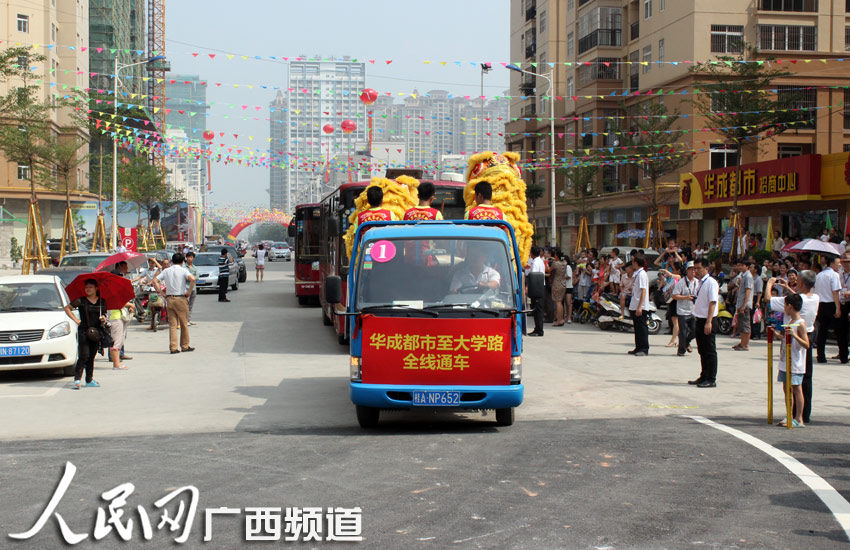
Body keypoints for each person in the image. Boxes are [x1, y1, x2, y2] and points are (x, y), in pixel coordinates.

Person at [766, 270, 818, 424]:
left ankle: (797, 416)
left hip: (797, 340)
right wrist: (788, 288)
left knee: (796, 385)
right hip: (802, 336)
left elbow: (769, 299)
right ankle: (799, 414)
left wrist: (769, 284)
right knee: (802, 381)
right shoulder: (815, 298)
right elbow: (798, 297)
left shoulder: (796, 310)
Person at [63, 279, 107, 390]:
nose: (88, 289)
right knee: (84, 355)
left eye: (90, 287)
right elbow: (67, 308)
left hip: (96, 332)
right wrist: (76, 320)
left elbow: (105, 315)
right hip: (83, 331)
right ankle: (77, 380)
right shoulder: (81, 300)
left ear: (96, 288)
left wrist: (103, 318)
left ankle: (89, 379)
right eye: (86, 287)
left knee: (91, 356)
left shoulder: (102, 301)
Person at [776, 293, 809, 427]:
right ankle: (789, 414)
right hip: (785, 360)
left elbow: (806, 344)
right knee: (786, 388)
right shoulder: (790, 321)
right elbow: (786, 338)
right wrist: (777, 335)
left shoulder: (800, 323)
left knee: (796, 388)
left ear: (790, 306)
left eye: (785, 305)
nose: (784, 308)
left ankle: (799, 418)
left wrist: (794, 335)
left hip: (795, 362)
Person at [154, 253, 196, 354]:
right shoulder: (183, 270)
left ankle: (173, 347)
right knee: (183, 323)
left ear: (172, 261)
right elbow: (193, 279)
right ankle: (184, 346)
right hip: (180, 298)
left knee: (172, 325)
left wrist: (161, 292)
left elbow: (155, 281)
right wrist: (189, 292)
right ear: (182, 261)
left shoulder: (166, 271)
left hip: (169, 298)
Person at [691, 258, 719, 388]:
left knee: (709, 350)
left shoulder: (711, 282)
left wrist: (709, 321)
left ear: (706, 269)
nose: (696, 271)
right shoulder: (700, 282)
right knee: (702, 350)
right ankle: (704, 375)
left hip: (708, 319)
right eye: (695, 268)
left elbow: (712, 302)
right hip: (699, 319)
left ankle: (711, 378)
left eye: (699, 268)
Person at [813, 255, 841, 363]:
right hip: (830, 304)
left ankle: (821, 356)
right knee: (839, 330)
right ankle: (843, 355)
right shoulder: (834, 275)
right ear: (832, 263)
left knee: (822, 331)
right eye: (838, 263)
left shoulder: (819, 275)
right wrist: (838, 308)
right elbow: (835, 292)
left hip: (820, 305)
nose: (839, 265)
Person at [671, 261, 698, 357]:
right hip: (682, 311)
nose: (693, 271)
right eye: (691, 269)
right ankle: (681, 350)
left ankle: (686, 342)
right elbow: (674, 295)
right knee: (683, 332)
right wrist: (686, 297)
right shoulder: (682, 282)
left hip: (693, 310)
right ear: (687, 271)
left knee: (695, 330)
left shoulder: (697, 282)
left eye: (694, 269)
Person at [628, 256, 650, 356]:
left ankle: (644, 349)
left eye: (633, 262)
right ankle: (638, 347)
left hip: (640, 306)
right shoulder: (638, 273)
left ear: (636, 263)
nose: (632, 264)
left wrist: (640, 307)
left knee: (642, 328)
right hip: (635, 304)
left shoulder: (642, 274)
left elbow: (643, 291)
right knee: (637, 328)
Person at [733, 259, 754, 351]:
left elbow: (748, 291)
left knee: (745, 324)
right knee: (741, 324)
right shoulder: (742, 275)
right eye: (739, 265)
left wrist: (744, 305)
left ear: (747, 266)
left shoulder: (748, 276)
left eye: (742, 265)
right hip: (740, 303)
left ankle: (745, 344)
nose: (739, 267)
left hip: (744, 304)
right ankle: (742, 343)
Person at [526, 246, 546, 336]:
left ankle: (539, 330)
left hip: (536, 287)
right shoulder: (540, 261)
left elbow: (533, 276)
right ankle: (537, 329)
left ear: (532, 253)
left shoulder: (535, 262)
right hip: (540, 286)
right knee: (538, 309)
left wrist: (528, 287)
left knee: (537, 309)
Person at [550, 250, 567, 326]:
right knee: (560, 301)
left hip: (557, 283)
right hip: (563, 283)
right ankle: (561, 319)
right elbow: (562, 259)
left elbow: (549, 269)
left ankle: (559, 320)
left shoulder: (555, 264)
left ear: (556, 256)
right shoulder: (565, 263)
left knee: (558, 302)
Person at [839, 252, 850, 364]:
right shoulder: (840, 274)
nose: (846, 264)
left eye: (848, 262)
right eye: (844, 262)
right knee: (842, 331)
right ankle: (843, 355)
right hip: (842, 303)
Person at [751, 262, 764, 340]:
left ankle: (756, 334)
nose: (750, 269)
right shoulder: (751, 277)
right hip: (751, 297)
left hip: (756, 297)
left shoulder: (758, 279)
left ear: (756, 270)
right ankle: (752, 333)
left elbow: (759, 292)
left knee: (756, 316)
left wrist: (758, 301)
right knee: (751, 316)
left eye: (752, 267)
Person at [185, 251, 199, 325]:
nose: (189, 259)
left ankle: (189, 320)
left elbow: (197, 277)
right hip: (186, 288)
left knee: (191, 305)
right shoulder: (183, 267)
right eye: (188, 257)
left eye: (191, 257)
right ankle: (185, 320)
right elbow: (184, 277)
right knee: (185, 305)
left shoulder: (195, 268)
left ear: (193, 258)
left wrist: (191, 278)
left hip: (193, 288)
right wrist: (191, 278)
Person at [563, 254, 574, 324]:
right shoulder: (563, 267)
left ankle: (569, 317)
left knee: (568, 302)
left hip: (568, 286)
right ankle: (565, 316)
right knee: (564, 302)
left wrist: (561, 277)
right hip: (563, 286)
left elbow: (569, 276)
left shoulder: (568, 267)